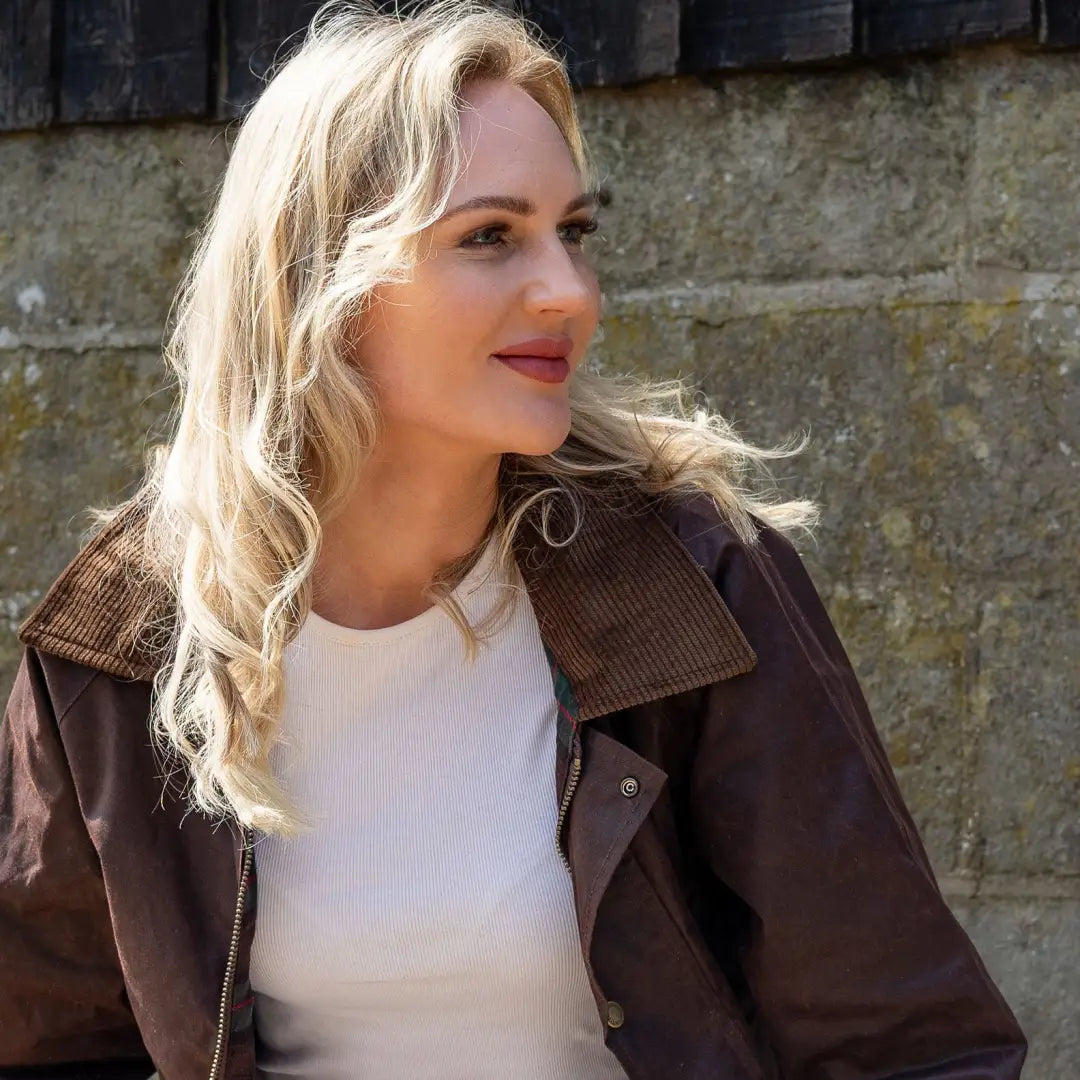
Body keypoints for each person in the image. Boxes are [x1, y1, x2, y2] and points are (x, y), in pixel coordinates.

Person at [0, 1, 1027, 1078]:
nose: (568, 293)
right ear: (319, 285)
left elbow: (911, 1047)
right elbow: (51, 1044)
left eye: (573, 232)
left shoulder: (690, 579)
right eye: (491, 237)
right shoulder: (127, 636)